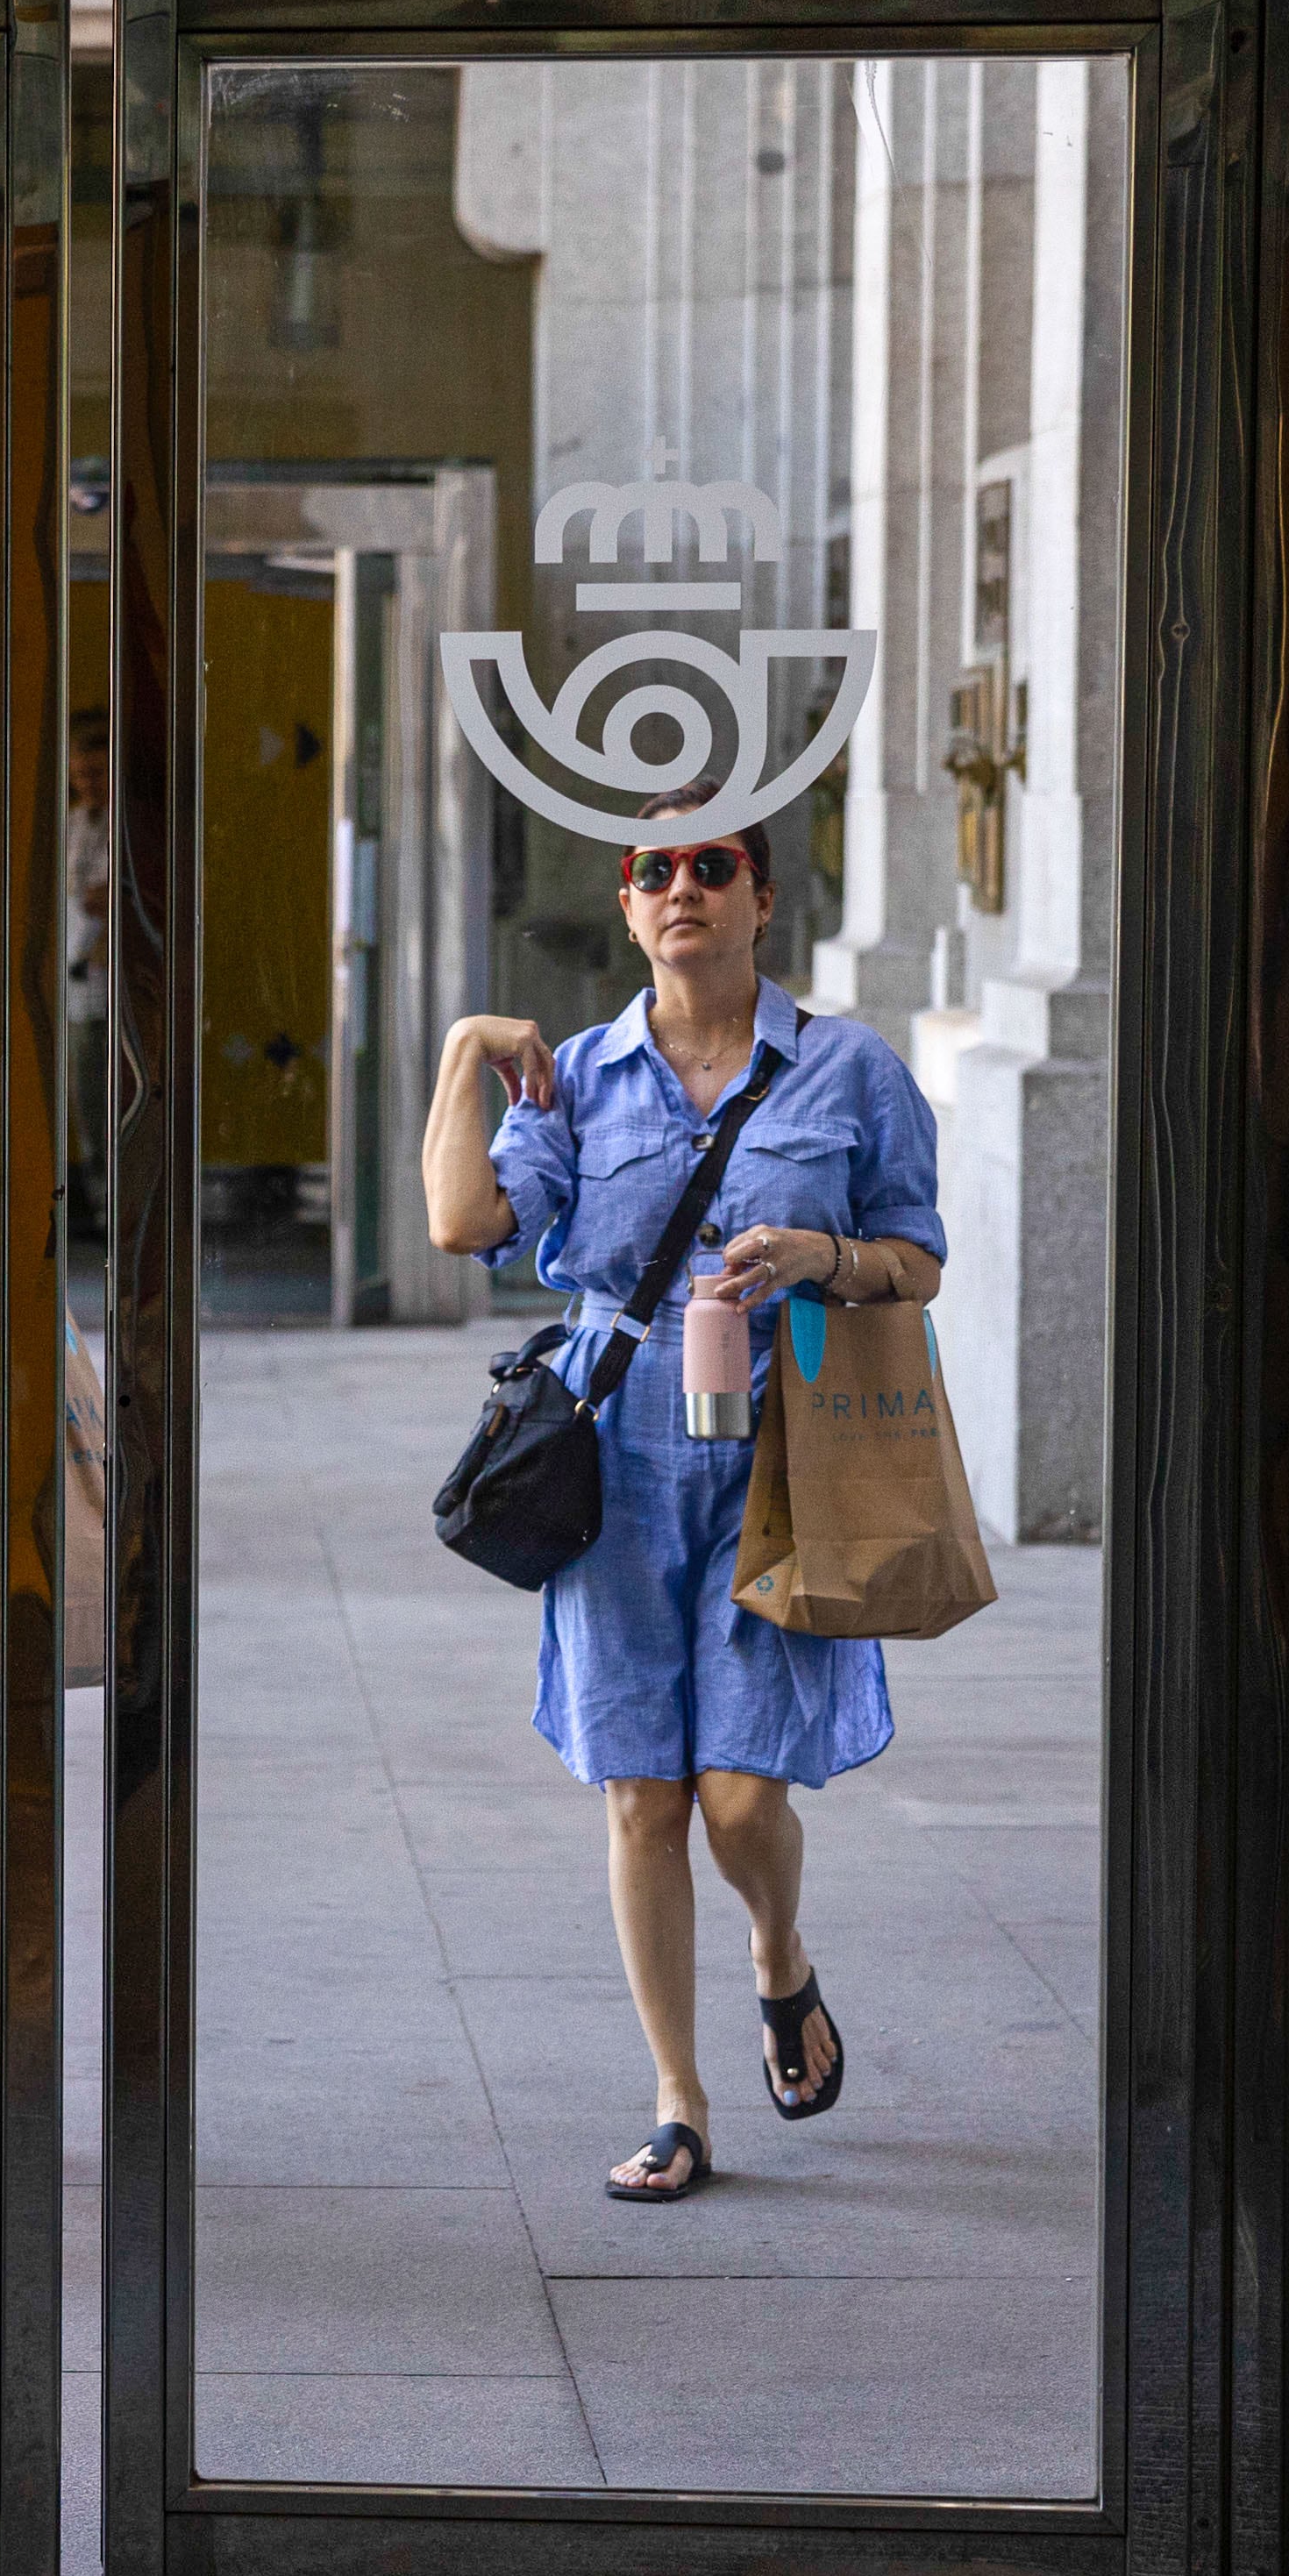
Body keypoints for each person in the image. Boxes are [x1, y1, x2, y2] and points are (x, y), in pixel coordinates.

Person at [414, 780, 944, 2206]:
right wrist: (469, 1043)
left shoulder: (847, 1070)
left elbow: (916, 1258)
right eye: (652, 870)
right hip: (616, 1450)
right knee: (640, 1795)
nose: (680, 889)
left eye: (711, 866)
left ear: (762, 897)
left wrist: (819, 1258)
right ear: (628, 904)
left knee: (730, 1795)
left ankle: (777, 1951)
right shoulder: (574, 1073)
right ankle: (677, 2098)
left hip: (784, 1450)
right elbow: (462, 1222)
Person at [65, 709, 111, 1235]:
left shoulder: (136, 828)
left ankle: (124, 1215)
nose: (90, 784)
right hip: (78, 984)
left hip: (124, 988)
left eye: (98, 774)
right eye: (82, 775)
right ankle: (101, 1212)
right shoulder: (74, 826)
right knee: (88, 1106)